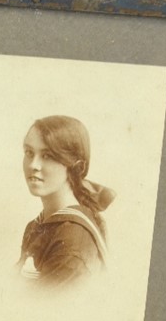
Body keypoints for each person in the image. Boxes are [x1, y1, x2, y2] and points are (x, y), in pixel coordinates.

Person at [18, 115, 115, 287]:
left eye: (47, 155)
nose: (33, 165)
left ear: (76, 166)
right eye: (29, 153)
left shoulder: (73, 243)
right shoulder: (38, 225)